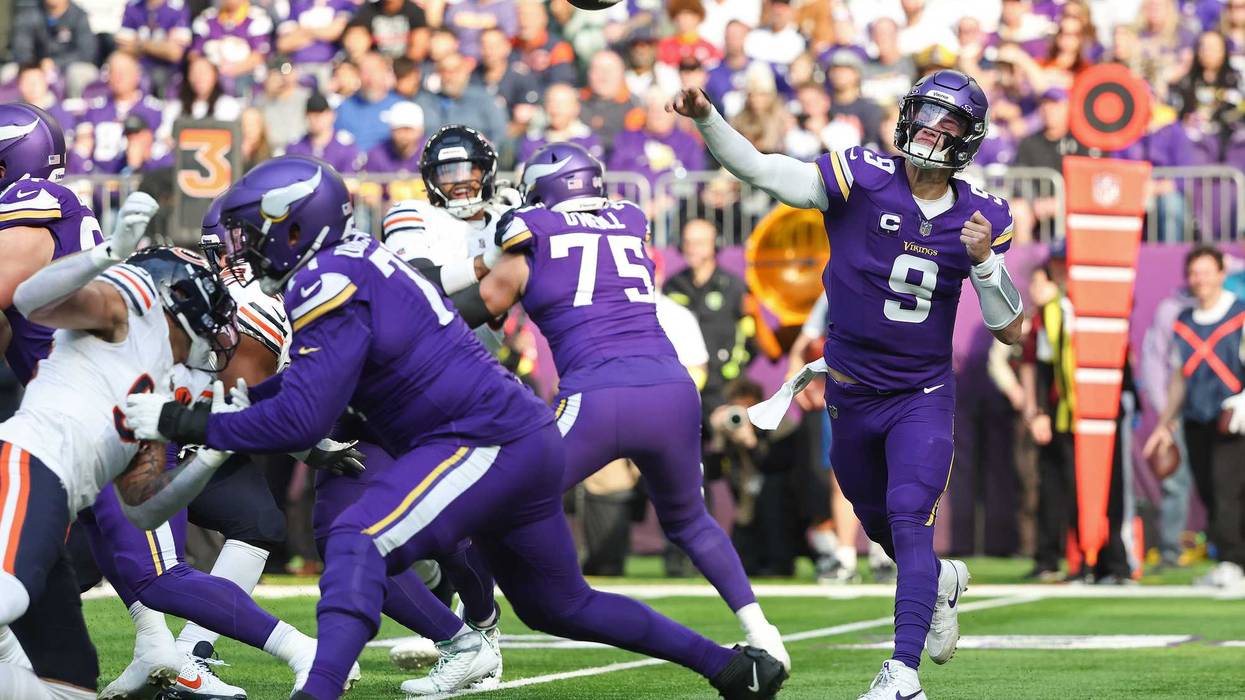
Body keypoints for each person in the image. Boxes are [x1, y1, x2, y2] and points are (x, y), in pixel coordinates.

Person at [122, 155, 788, 700]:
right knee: (561, 607)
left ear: (293, 229)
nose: (243, 245)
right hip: (510, 436)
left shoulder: (325, 278)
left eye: (249, 230)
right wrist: (240, 415)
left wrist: (185, 418)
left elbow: (305, 413)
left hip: (483, 440)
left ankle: (321, 690)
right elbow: (318, 397)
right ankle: (728, 668)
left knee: (356, 537)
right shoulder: (354, 261)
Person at [671, 68, 1024, 698]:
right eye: (924, 116)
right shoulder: (862, 178)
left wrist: (987, 262)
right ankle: (938, 580)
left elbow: (1011, 331)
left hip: (920, 395)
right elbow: (756, 167)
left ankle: (903, 675)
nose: (929, 131)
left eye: (947, 124)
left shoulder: (982, 216)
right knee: (876, 522)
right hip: (851, 391)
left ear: (967, 139)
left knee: (910, 518)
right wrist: (705, 117)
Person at [444, 141, 790, 679]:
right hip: (673, 389)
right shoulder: (628, 218)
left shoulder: (529, 228)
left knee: (486, 498)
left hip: (599, 394)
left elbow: (483, 292)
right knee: (691, 521)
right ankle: (763, 633)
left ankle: (475, 632)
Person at [0, 195, 243, 699]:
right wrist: (106, 252)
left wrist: (213, 455)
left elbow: (146, 504)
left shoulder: (162, 385)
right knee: (6, 598)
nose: (214, 334)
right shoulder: (117, 324)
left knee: (71, 680)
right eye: (206, 316)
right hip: (30, 466)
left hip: (57, 493)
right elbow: (27, 300)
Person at [1144, 246, 1245, 591]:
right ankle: (1232, 562)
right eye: (1194, 273)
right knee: (1208, 491)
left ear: (1221, 273)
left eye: (1206, 272)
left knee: (1226, 489)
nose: (1199, 280)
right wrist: (1165, 423)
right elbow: (1178, 377)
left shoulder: (1239, 314)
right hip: (1196, 418)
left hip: (1233, 420)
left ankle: (1232, 561)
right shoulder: (1183, 322)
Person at [663, 219, 754, 416]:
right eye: (687, 242)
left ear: (716, 245)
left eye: (699, 243)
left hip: (724, 386)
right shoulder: (672, 286)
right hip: (683, 383)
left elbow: (751, 337)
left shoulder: (733, 286)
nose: (691, 249)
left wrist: (734, 368)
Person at [284, 92, 365, 174]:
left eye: (320, 114)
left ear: (332, 115)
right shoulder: (296, 147)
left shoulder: (345, 146)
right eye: (311, 115)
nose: (316, 119)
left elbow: (350, 179)